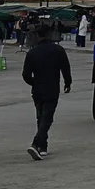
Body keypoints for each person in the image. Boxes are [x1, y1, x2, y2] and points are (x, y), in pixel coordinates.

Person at [21, 24, 72, 160]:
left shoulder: (32, 53)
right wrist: (68, 82)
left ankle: (42, 146)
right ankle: (36, 143)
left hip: (37, 89)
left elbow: (26, 74)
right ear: (49, 35)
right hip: (52, 88)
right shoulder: (58, 50)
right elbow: (65, 68)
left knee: (40, 117)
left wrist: (35, 82)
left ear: (37, 36)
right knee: (47, 118)